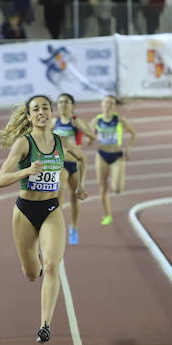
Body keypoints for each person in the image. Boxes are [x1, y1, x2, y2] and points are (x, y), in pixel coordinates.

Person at [0, 95, 88, 343]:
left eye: (45, 107)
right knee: (31, 273)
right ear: (29, 116)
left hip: (51, 209)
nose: (41, 112)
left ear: (52, 112)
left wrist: (80, 186)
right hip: (25, 211)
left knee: (52, 266)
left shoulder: (64, 142)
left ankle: (45, 325)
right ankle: (33, 262)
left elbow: (83, 159)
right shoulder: (23, 145)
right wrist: (26, 170)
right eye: (35, 109)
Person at [51, 93, 96, 245]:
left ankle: (74, 228)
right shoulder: (54, 122)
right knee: (59, 193)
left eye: (66, 102)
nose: (63, 104)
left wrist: (82, 129)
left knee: (75, 198)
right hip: (60, 164)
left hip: (76, 163)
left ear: (72, 105)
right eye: (61, 102)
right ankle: (58, 229)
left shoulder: (76, 121)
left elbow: (92, 136)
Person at [89, 94, 136, 226]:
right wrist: (91, 137)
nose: (108, 105)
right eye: (106, 103)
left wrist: (128, 149)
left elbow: (133, 133)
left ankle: (118, 178)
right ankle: (107, 215)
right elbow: (89, 138)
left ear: (115, 106)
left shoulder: (120, 120)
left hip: (117, 156)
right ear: (101, 104)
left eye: (111, 103)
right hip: (102, 155)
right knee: (102, 188)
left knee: (117, 189)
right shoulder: (96, 121)